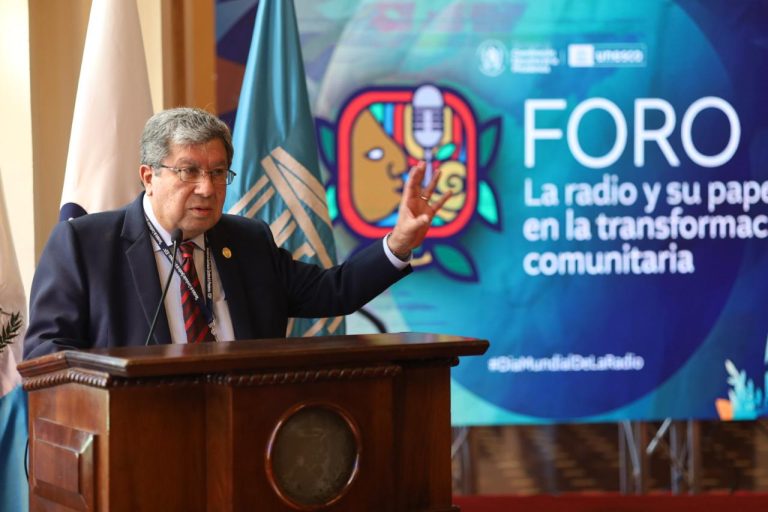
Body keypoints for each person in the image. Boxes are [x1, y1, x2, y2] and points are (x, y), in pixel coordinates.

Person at [23, 107, 450, 359]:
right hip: (135, 440)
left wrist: (398, 243)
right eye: (188, 171)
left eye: (217, 173)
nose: (207, 189)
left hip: (246, 432)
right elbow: (46, 353)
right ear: (149, 176)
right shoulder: (85, 245)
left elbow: (332, 292)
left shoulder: (248, 241)